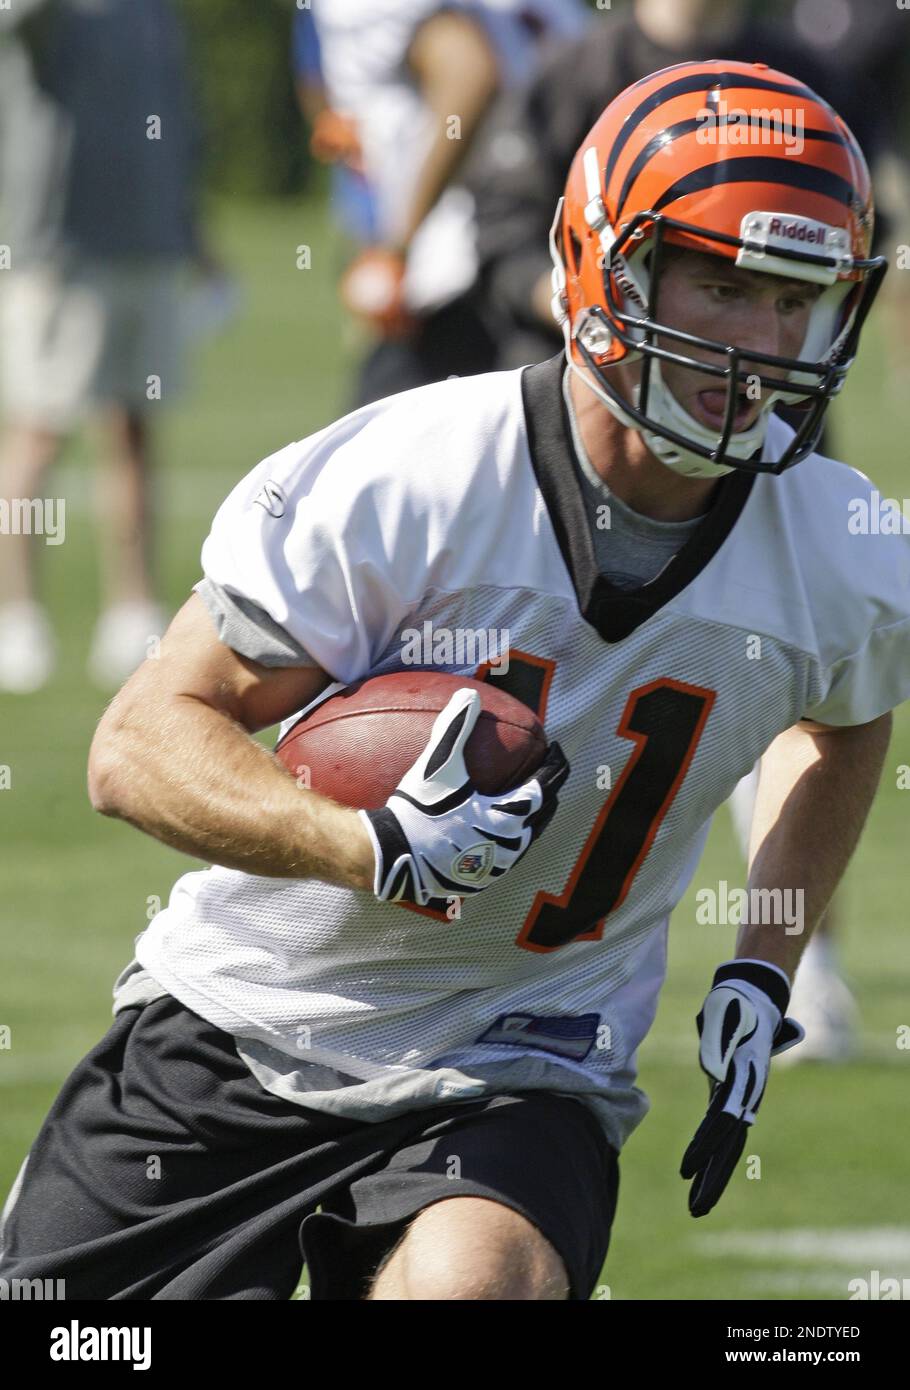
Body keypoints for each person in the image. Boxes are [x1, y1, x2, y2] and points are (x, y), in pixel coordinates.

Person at [1, 62, 907, 1302]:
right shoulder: (417, 474)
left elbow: (847, 721)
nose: (754, 342)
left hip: (521, 1061)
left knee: (478, 1288)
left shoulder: (838, 546)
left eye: (793, 299)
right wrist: (363, 843)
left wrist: (763, 958)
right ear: (608, 269)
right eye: (719, 283)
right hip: (246, 1023)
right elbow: (140, 741)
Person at [0, 0, 206, 691]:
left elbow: (176, 114)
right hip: (58, 247)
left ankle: (132, 609)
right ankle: (15, 617)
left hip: (146, 242)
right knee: (38, 432)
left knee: (132, 428)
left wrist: (192, 233)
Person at [307, 0, 588, 406]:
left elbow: (469, 74)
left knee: (373, 454)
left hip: (459, 275)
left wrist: (397, 246)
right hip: (543, 266)